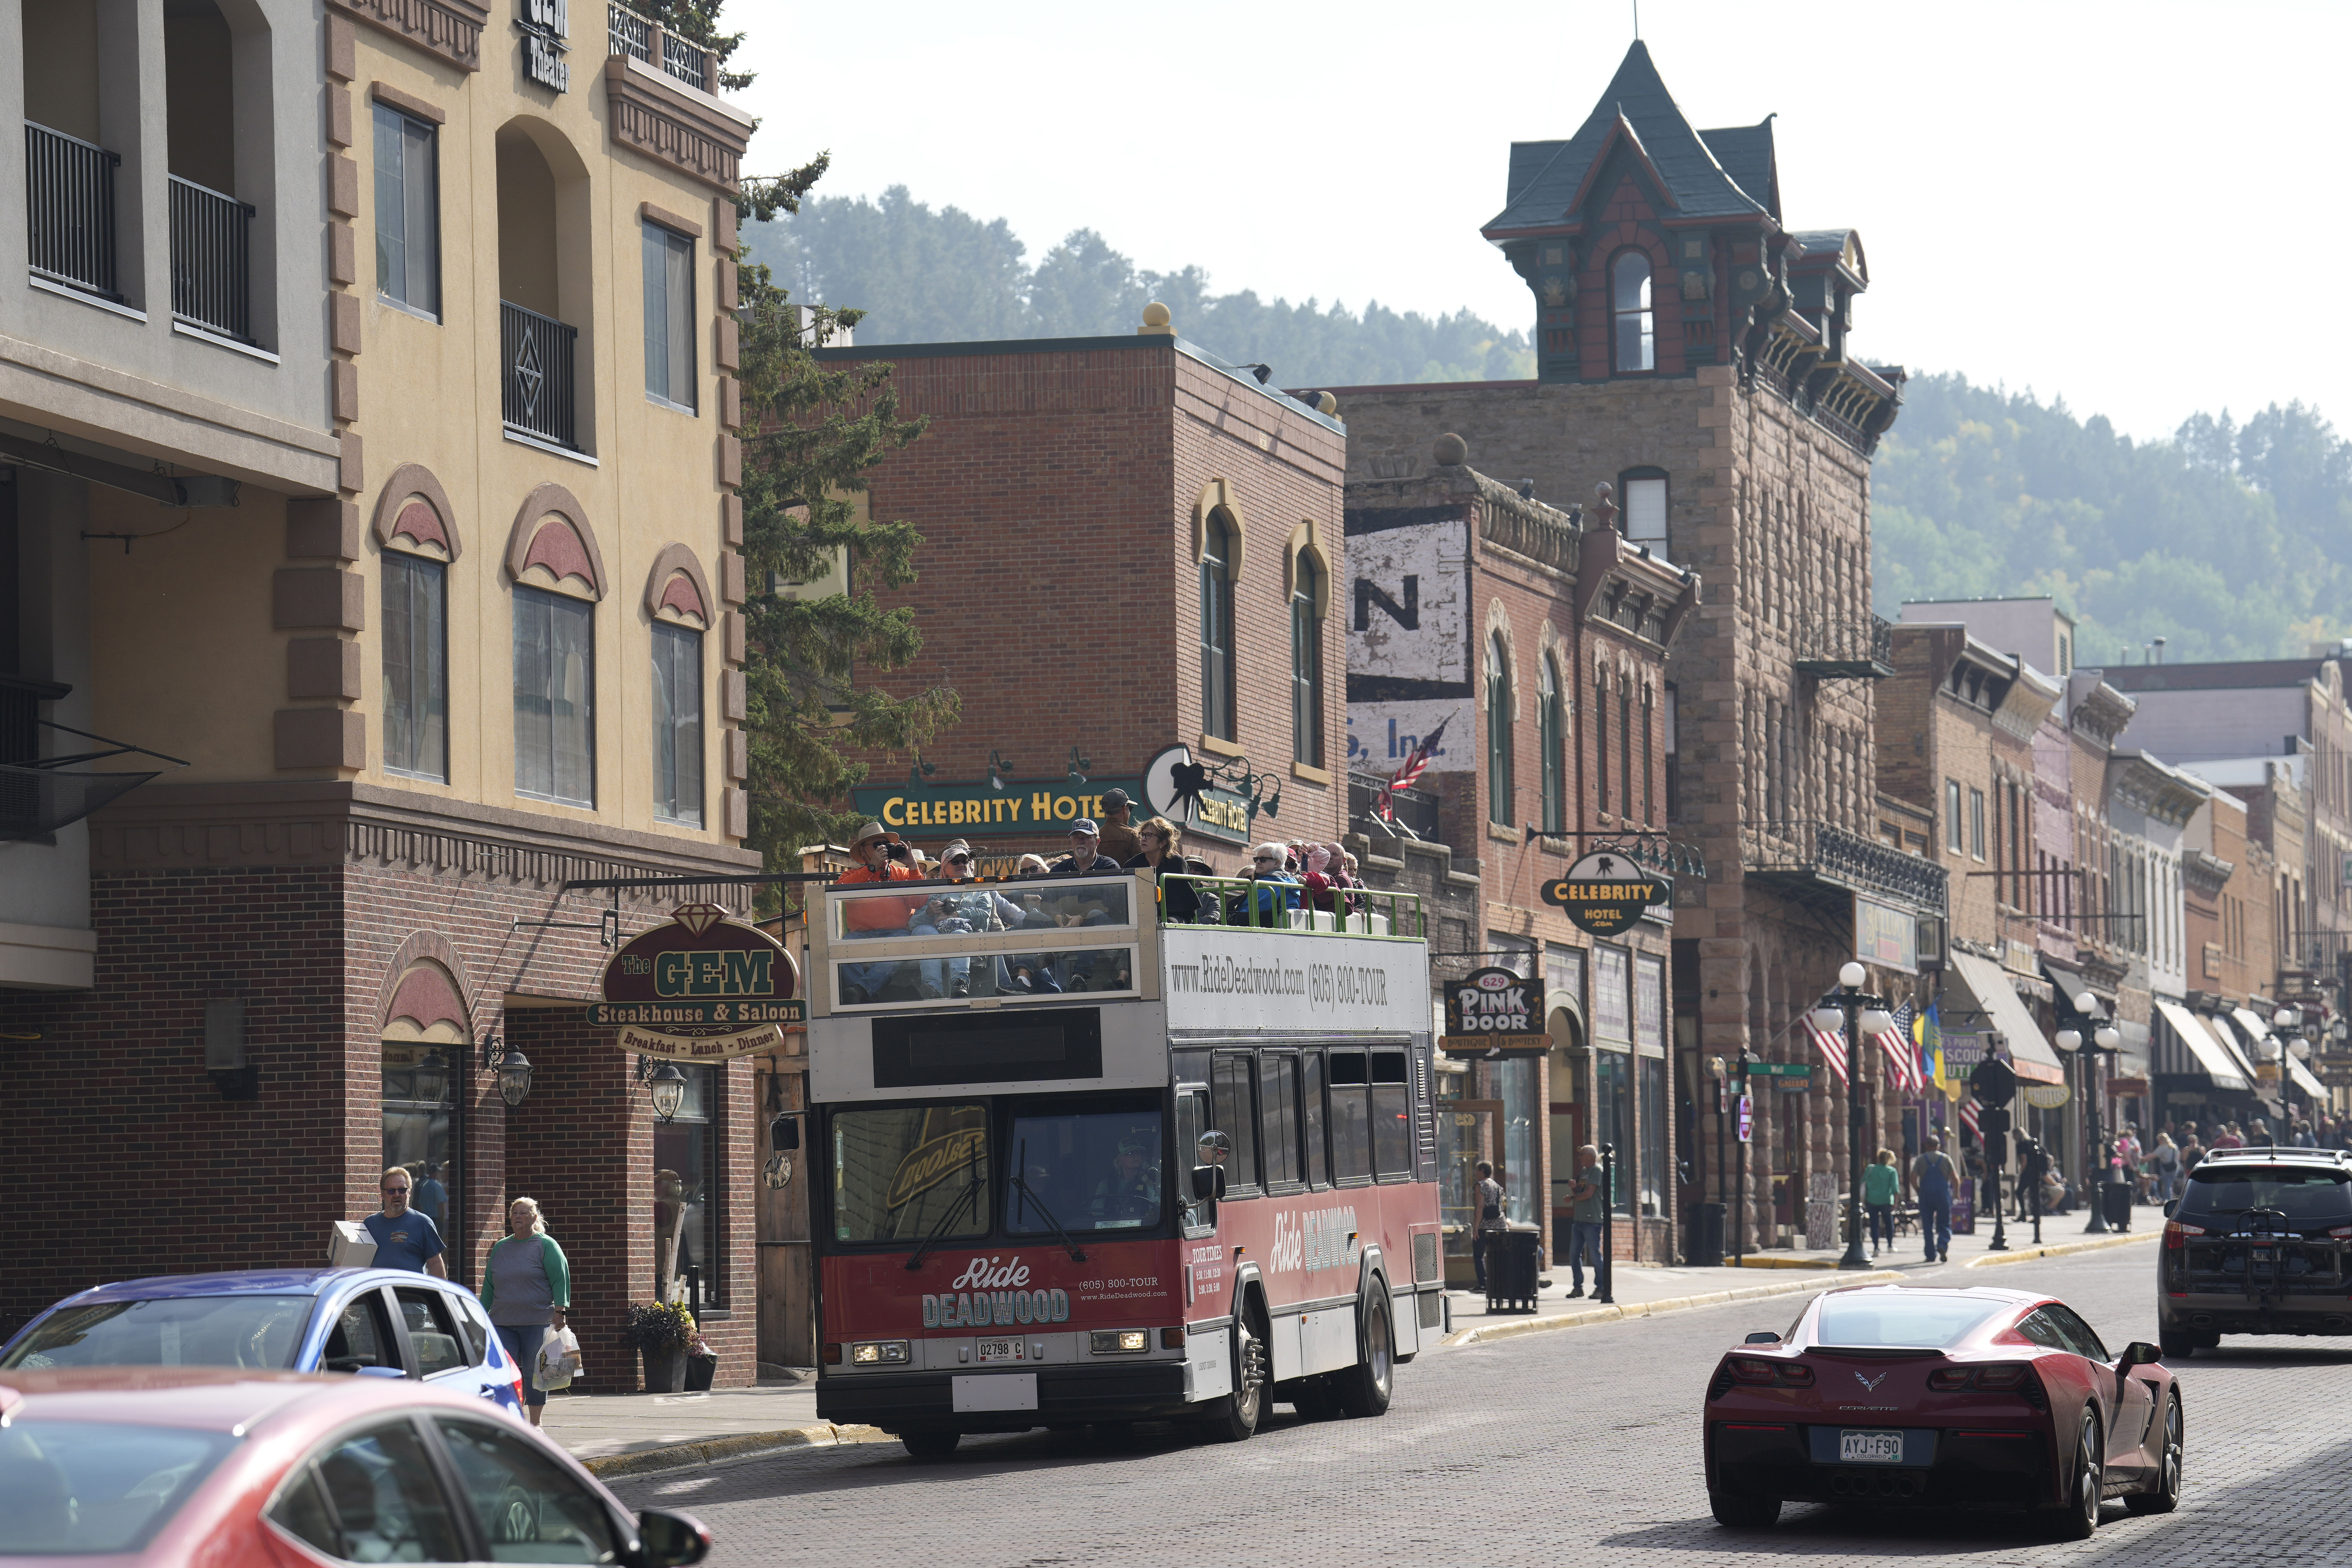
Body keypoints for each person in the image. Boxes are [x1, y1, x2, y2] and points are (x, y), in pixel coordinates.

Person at [479, 1196, 571, 1427]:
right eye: (514, 1213)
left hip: (537, 1321)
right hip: (502, 1321)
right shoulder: (501, 1247)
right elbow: (490, 1285)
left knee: (535, 1373)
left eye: (523, 1213)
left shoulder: (546, 1245)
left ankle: (536, 1424)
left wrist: (560, 1311)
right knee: (503, 1372)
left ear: (534, 1218)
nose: (517, 1217)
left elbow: (560, 1279)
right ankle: (511, 1421)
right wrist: (480, 1315)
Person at [911, 840, 1025, 997]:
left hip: (971, 942)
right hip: (937, 941)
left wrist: (956, 914)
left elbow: (985, 917)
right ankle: (933, 988)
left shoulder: (979, 889)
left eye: (965, 861)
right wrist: (929, 914)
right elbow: (912, 924)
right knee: (923, 929)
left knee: (959, 933)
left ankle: (959, 984)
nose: (961, 864)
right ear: (944, 867)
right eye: (955, 861)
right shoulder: (934, 891)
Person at [836, 822, 927, 1004]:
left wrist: (913, 865)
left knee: (901, 946)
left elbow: (919, 902)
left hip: (897, 934)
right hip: (860, 936)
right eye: (878, 846)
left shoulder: (903, 873)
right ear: (863, 852)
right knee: (842, 948)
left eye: (887, 845)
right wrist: (871, 869)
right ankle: (867, 995)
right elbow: (840, 893)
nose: (884, 849)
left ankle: (861, 992)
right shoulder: (852, 875)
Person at [1126, 816, 1214, 922]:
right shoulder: (1132, 864)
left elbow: (1185, 903)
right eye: (1143, 835)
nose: (1144, 838)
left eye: (1149, 835)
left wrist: (1160, 916)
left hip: (1175, 916)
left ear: (1163, 843)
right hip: (1141, 917)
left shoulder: (1177, 863)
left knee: (1170, 923)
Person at [365, 1167, 447, 1276]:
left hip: (411, 1292)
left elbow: (435, 1263)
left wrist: (437, 1292)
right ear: (382, 1195)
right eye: (391, 1191)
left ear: (409, 1193)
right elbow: (359, 1261)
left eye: (402, 1190)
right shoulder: (369, 1224)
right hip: (377, 1292)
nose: (397, 1195)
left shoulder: (423, 1223)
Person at [1088, 1135, 1162, 1226]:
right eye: (1130, 1153)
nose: (1136, 1156)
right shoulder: (1106, 1185)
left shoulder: (1151, 1182)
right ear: (1119, 1161)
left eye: (1138, 1153)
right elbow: (1096, 1216)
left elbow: (1158, 1209)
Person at [1564, 1146, 1604, 1298]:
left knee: (1594, 1255)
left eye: (1582, 1155)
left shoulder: (1596, 1170)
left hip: (1592, 1219)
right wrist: (1574, 1190)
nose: (1579, 1157)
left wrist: (1572, 1198)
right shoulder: (1584, 1172)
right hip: (1579, 1219)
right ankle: (1578, 1288)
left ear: (1590, 1156)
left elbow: (1589, 1194)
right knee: (1574, 1255)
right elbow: (1581, 1193)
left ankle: (1601, 1288)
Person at [1912, 1135, 1958, 1263]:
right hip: (1942, 1195)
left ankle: (1930, 1255)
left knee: (1927, 1226)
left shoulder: (1920, 1159)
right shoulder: (1945, 1158)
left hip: (1926, 1195)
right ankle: (1942, 1245)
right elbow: (1955, 1178)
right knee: (1944, 1223)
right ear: (1938, 1146)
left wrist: (1918, 1190)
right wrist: (1957, 1193)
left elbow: (1913, 1177)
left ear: (1926, 1146)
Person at [1237, 842, 1301, 926]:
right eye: (1257, 859)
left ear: (1277, 863)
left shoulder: (1270, 882)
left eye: (1263, 859)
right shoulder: (1288, 880)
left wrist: (1233, 918)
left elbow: (1253, 913)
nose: (1258, 862)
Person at [1471, 1161, 1508, 1293]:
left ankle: (1483, 1283)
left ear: (1482, 1171)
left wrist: (1476, 1228)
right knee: (1498, 1255)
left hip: (1485, 1225)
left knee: (1479, 1255)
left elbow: (1480, 1207)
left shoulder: (1480, 1186)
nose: (1475, 1173)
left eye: (1477, 1170)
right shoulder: (1496, 1185)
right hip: (1500, 1225)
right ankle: (1499, 1282)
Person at [1863, 1148, 1900, 1258]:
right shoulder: (1891, 1171)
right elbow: (1895, 1188)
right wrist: (1896, 1202)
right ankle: (1890, 1246)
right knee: (1889, 1223)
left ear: (1878, 1158)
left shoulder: (1870, 1168)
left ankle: (1876, 1248)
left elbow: (1863, 1182)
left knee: (1874, 1224)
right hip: (1886, 1201)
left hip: (1871, 1200)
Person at [1093, 789, 1142, 864]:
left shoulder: (1096, 836)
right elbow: (1141, 867)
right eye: (1130, 808)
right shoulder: (1132, 834)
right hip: (1128, 877)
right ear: (1125, 808)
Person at [410, 1161, 448, 1234]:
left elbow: (419, 1206)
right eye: (438, 1172)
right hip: (436, 1219)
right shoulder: (438, 1187)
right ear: (436, 1173)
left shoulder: (424, 1186)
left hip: (426, 1218)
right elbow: (441, 1205)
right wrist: (442, 1221)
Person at [2150, 1132, 2181, 1204]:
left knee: (2167, 1185)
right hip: (2175, 1168)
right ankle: (2164, 1199)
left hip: (2166, 1168)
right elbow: (2178, 1157)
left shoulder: (2162, 1147)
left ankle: (2169, 1201)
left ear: (2161, 1140)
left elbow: (2153, 1155)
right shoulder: (2174, 1147)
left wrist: (2144, 1159)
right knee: (2169, 1184)